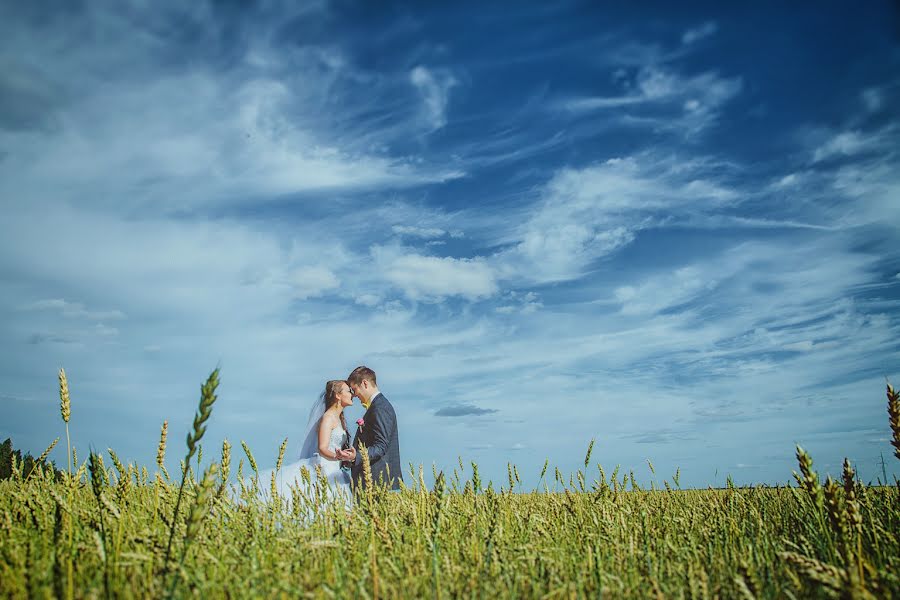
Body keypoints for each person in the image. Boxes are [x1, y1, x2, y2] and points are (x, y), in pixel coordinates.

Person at [258, 379, 355, 506]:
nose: (352, 394)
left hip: (335, 469)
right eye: (348, 391)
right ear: (338, 395)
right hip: (326, 468)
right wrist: (337, 456)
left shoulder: (338, 418)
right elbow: (322, 448)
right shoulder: (328, 418)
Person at [347, 366, 403, 491]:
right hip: (374, 481)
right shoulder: (377, 406)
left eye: (355, 389)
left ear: (365, 383)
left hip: (377, 481)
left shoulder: (380, 408)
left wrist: (356, 455)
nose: (354, 395)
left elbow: (381, 446)